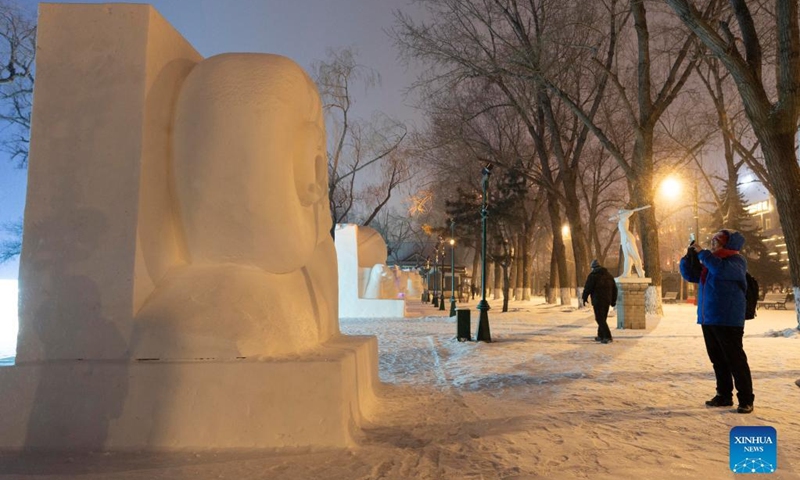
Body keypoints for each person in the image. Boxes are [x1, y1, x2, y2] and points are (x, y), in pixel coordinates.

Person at [680, 229, 754, 414]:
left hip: (728, 319)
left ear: (728, 244)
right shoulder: (710, 263)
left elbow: (719, 271)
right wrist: (688, 258)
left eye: (717, 242)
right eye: (712, 241)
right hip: (709, 317)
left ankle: (746, 399)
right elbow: (690, 275)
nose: (713, 244)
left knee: (735, 360)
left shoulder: (736, 261)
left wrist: (703, 254)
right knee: (718, 360)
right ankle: (723, 395)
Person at [581, 259, 618, 344]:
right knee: (603, 318)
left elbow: (588, 288)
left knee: (599, 318)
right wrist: (613, 300)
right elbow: (614, 289)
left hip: (598, 300)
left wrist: (584, 297)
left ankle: (607, 336)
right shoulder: (609, 276)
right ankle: (600, 335)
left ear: (593, 268)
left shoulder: (593, 276)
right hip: (607, 300)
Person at [610, 206, 650, 278]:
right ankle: (626, 274)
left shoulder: (625, 218)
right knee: (627, 258)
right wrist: (617, 216)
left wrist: (626, 213)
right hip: (624, 239)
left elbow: (630, 212)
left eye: (620, 213)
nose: (619, 214)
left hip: (628, 238)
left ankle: (641, 273)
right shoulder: (620, 220)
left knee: (635, 256)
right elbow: (611, 219)